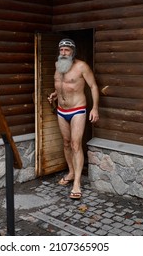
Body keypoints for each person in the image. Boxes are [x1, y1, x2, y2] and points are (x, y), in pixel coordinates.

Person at [48, 38, 99, 199]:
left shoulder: (81, 66)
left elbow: (93, 86)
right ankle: (70, 172)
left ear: (73, 52)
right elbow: (61, 85)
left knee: (76, 145)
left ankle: (77, 183)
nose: (63, 53)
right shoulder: (58, 65)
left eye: (67, 50)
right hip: (61, 110)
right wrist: (55, 94)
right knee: (66, 142)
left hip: (77, 109)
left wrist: (95, 108)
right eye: (61, 50)